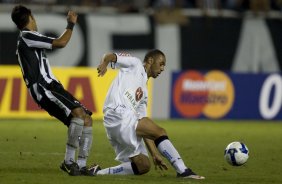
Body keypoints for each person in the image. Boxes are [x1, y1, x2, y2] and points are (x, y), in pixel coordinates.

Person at [11, 5, 96, 176]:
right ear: (30, 17)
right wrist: (71, 24)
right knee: (79, 114)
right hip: (43, 87)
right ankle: (68, 161)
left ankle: (80, 165)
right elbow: (61, 43)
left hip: (52, 86)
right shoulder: (27, 36)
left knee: (86, 120)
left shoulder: (28, 38)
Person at [96, 50, 205, 179]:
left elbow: (143, 125)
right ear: (150, 61)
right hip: (117, 113)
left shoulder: (145, 93)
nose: (163, 68)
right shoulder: (135, 64)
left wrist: (154, 154)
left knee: (143, 165)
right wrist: (104, 63)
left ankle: (98, 173)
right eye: (161, 64)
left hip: (117, 123)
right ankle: (183, 170)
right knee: (160, 131)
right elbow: (110, 56)